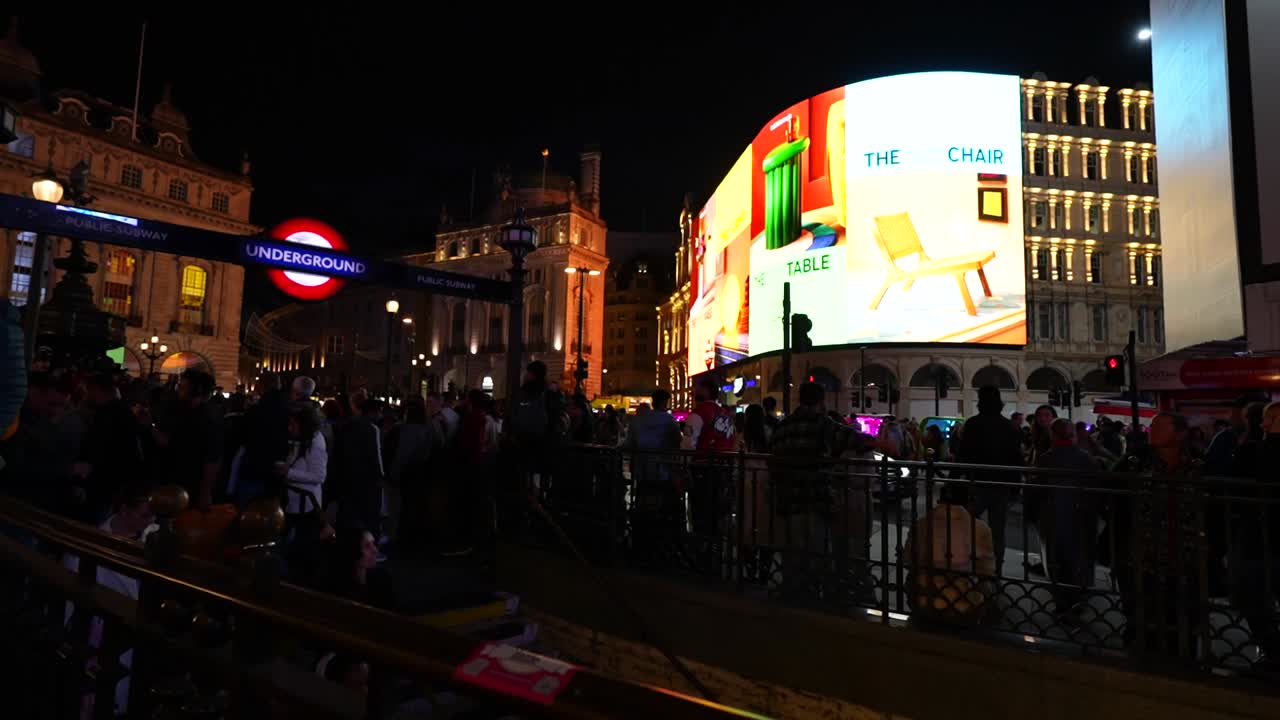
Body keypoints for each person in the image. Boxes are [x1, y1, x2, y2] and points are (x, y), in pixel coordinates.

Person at [1111, 411, 1201, 658]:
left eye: (1161, 427)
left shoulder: (1199, 464)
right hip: (1142, 555)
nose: (1153, 431)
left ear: (1180, 434)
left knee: (1181, 618)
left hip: (1184, 555)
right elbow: (1113, 496)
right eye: (1153, 426)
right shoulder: (1135, 462)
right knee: (1143, 616)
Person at [62, 485, 156, 718]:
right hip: (104, 642)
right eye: (144, 515)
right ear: (124, 511)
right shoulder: (87, 550)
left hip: (140, 638)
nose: (151, 520)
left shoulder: (154, 537)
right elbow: (70, 611)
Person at [901, 482, 996, 626]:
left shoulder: (921, 524)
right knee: (988, 589)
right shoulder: (979, 527)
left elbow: (908, 560)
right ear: (968, 503)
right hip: (963, 601)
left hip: (925, 598)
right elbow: (987, 570)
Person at [1034, 418, 1101, 617]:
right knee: (1081, 556)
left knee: (1058, 560)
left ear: (1053, 435)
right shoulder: (1087, 459)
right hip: (1082, 516)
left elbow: (1037, 490)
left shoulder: (1046, 459)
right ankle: (1080, 597)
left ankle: (1064, 602)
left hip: (1054, 516)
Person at [955, 385, 1023, 573]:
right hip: (1000, 484)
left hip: (977, 482)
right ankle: (996, 565)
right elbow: (1016, 458)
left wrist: (953, 480)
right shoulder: (1010, 427)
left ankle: (970, 560)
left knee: (968, 524)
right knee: (998, 529)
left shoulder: (973, 424)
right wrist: (1015, 487)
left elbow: (963, 454)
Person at [73, 373, 146, 524]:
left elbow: (101, 446)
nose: (86, 396)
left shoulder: (109, 414)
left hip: (105, 479)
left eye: (87, 391)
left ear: (95, 390)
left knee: (94, 518)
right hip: (113, 478)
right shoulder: (120, 411)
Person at [146, 370, 222, 510]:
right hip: (171, 479)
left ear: (197, 390)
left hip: (188, 485)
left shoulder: (207, 420)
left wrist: (205, 492)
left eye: (182, 386)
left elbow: (213, 459)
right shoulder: (180, 411)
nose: (177, 389)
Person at [386, 396, 437, 545]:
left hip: (410, 471)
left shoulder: (408, 429)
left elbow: (403, 454)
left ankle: (407, 538)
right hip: (424, 470)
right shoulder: (429, 426)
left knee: (407, 506)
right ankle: (420, 537)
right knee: (420, 504)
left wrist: (393, 473)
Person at [334, 396, 385, 535]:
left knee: (350, 512)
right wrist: (380, 476)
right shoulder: (372, 428)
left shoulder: (348, 425)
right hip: (367, 478)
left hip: (349, 475)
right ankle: (370, 543)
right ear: (373, 412)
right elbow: (376, 455)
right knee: (370, 514)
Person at [325, 529, 394, 610]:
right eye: (367, 546)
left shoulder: (383, 578)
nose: (375, 550)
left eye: (373, 544)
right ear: (353, 551)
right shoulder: (338, 589)